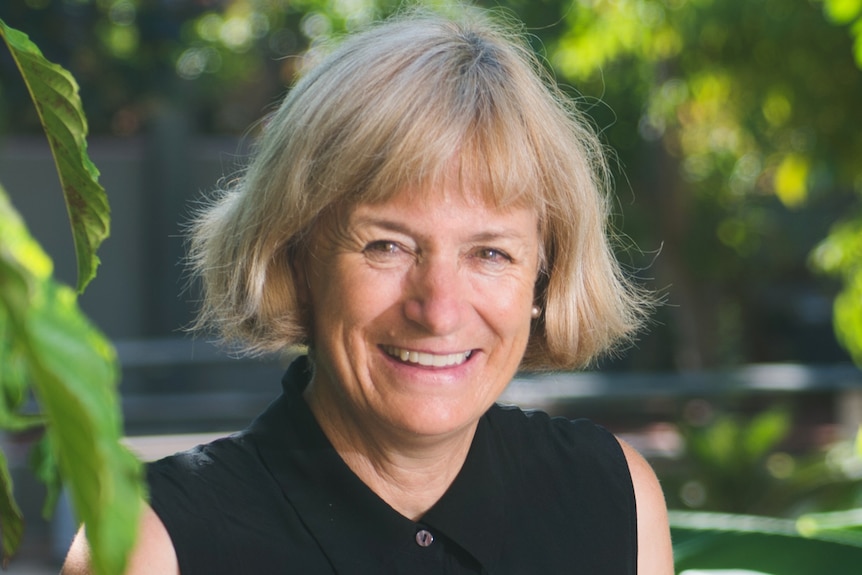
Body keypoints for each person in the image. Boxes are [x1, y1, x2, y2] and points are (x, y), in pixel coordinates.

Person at [63, 6, 673, 574]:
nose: (438, 310)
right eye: (388, 246)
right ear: (295, 256)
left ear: (544, 278)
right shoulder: (146, 544)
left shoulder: (615, 497)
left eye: (490, 253)